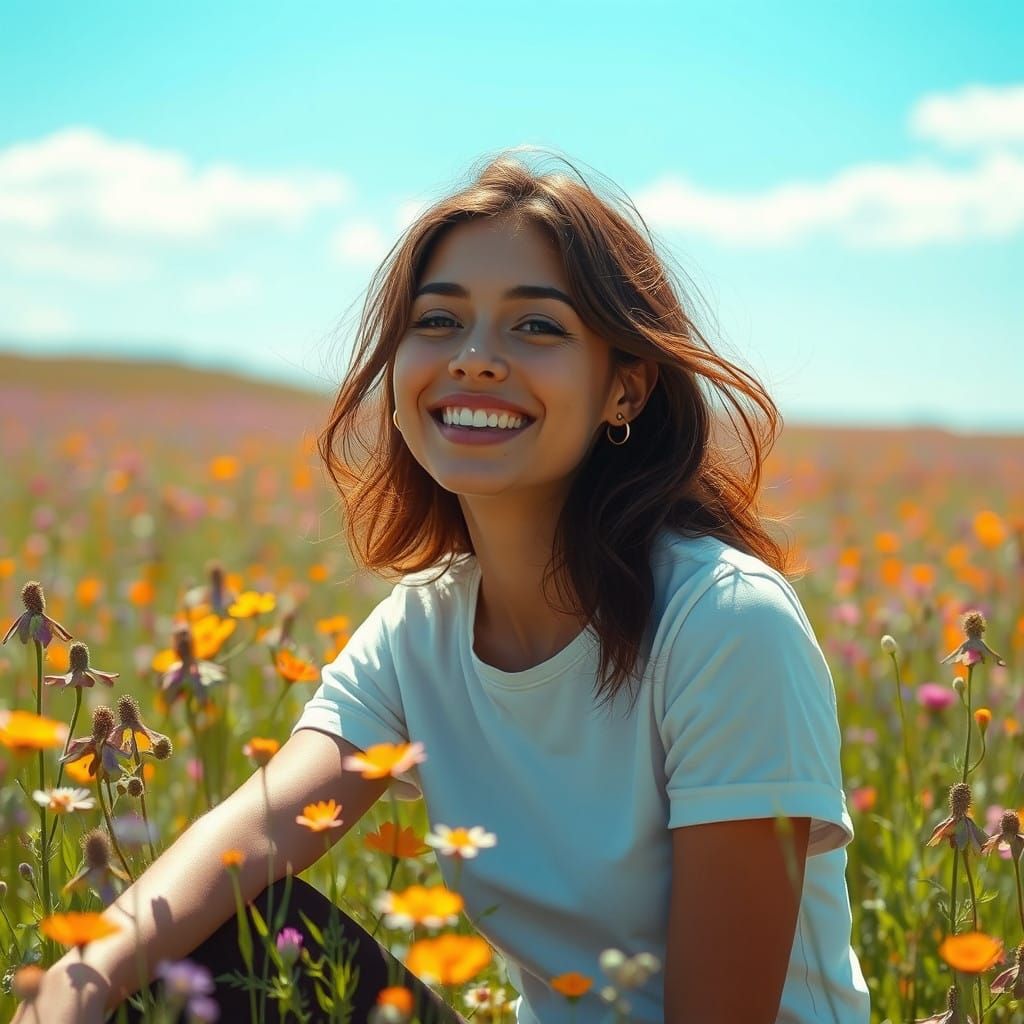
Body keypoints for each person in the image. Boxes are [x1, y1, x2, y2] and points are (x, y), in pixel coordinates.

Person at [14, 148, 871, 1024]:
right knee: (185, 942)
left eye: (536, 327)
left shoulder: (725, 623)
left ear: (625, 388)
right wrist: (65, 998)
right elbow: (253, 836)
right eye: (437, 321)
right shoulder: (420, 627)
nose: (474, 359)